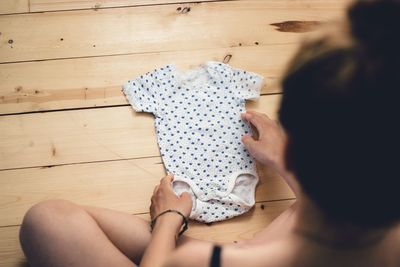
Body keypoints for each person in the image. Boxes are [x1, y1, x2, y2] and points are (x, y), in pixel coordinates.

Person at [19, 0, 400, 266]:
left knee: (44, 222)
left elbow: (172, 260)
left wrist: (169, 218)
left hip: (221, 255)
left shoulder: (201, 260)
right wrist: (287, 162)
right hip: (261, 247)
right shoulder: (375, 208)